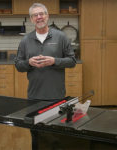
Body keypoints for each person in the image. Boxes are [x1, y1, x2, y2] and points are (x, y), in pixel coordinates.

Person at [14, 2, 76, 150]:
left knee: (56, 137)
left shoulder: (61, 37)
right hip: (34, 97)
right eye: (35, 15)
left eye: (42, 14)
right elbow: (18, 65)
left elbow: (72, 61)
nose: (39, 17)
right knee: (36, 136)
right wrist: (29, 63)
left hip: (56, 96)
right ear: (31, 19)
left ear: (47, 16)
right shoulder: (25, 41)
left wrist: (54, 61)